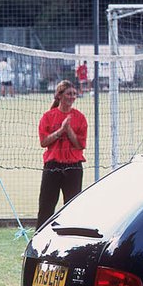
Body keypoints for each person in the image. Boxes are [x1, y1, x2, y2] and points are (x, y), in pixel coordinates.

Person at [37, 80, 87, 229]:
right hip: (53, 165)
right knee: (46, 205)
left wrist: (68, 130)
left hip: (73, 166)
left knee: (73, 206)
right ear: (59, 96)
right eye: (68, 94)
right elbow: (44, 142)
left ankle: (72, 237)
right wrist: (60, 131)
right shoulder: (48, 116)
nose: (72, 97)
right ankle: (40, 237)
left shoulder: (80, 117)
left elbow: (80, 145)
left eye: (74, 94)